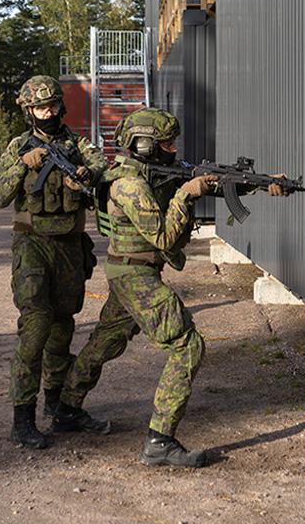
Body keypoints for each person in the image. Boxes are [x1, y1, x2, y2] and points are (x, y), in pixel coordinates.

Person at [52, 107, 287, 467]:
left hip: (129, 273)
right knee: (187, 346)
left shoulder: (149, 173)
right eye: (166, 143)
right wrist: (186, 195)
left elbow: (207, 183)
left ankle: (67, 408)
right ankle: (159, 441)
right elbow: (163, 235)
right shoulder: (129, 185)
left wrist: (259, 184)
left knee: (105, 342)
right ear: (144, 145)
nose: (174, 149)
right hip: (135, 276)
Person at [0, 75, 109, 449]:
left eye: (54, 106)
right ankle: (21, 417)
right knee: (36, 326)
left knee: (62, 327)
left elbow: (102, 172)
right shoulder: (18, 146)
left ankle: (57, 408)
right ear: (29, 111)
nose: (49, 113)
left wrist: (87, 175)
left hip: (70, 247)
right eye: (41, 108)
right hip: (33, 246)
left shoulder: (78, 145)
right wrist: (23, 166)